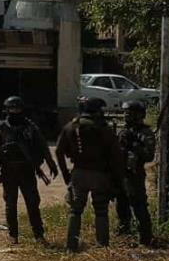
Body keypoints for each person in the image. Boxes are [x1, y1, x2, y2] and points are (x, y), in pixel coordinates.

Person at [0, 96, 59, 245]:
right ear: (7, 110)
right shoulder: (0, 129)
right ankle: (13, 235)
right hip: (8, 172)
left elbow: (43, 146)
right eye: (12, 109)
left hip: (27, 171)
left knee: (33, 203)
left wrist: (51, 164)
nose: (15, 112)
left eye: (18, 109)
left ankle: (39, 235)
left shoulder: (31, 128)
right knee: (10, 204)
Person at [56, 96, 124, 252]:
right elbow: (116, 157)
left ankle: (71, 247)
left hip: (78, 173)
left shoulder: (71, 127)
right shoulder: (104, 129)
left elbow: (59, 152)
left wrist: (66, 174)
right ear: (97, 111)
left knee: (75, 210)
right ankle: (102, 246)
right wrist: (117, 180)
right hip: (100, 175)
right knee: (101, 210)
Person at [116, 100, 156, 246]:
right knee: (121, 206)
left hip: (135, 174)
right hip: (121, 174)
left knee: (139, 206)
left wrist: (135, 146)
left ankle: (145, 238)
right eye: (125, 112)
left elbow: (149, 155)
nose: (126, 115)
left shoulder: (145, 133)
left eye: (130, 113)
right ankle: (124, 234)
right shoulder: (123, 130)